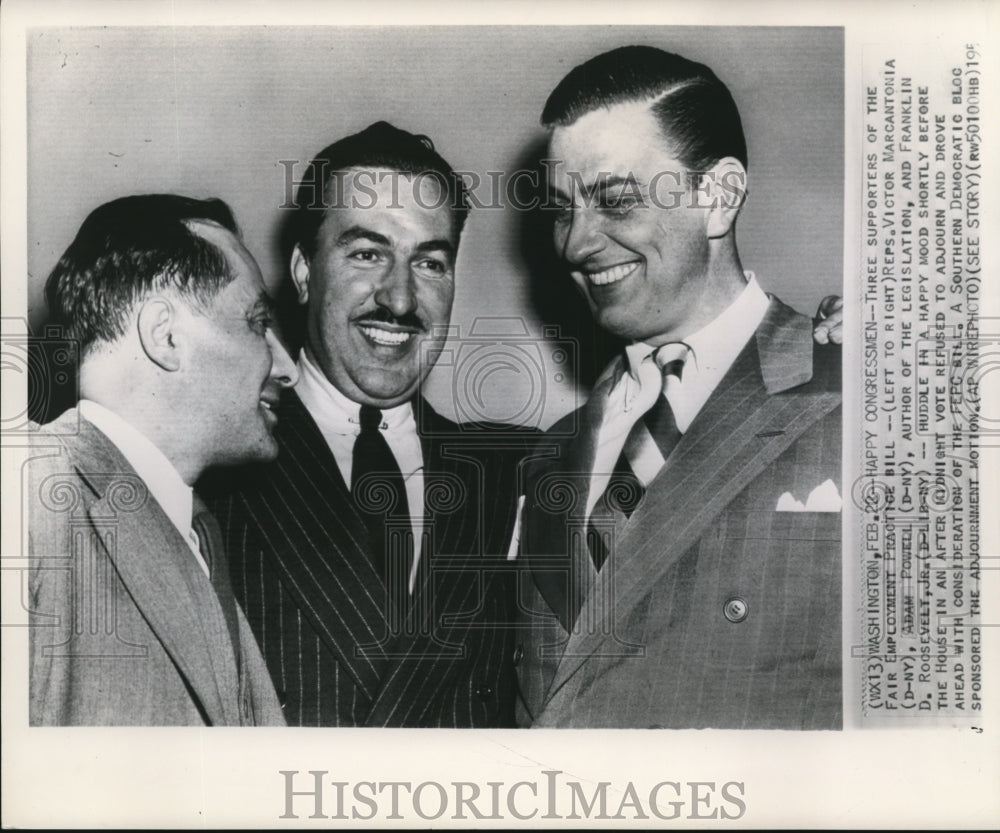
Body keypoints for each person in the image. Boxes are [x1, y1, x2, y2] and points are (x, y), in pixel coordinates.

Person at [515, 45, 843, 729]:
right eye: (561, 209)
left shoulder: (858, 393)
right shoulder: (548, 457)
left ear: (717, 196)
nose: (576, 243)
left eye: (615, 200)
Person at [207, 122, 527, 727]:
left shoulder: (514, 472)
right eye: (367, 253)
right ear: (303, 272)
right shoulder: (214, 470)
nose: (401, 299)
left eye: (430, 264)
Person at [28, 194, 297, 726]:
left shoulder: (196, 532)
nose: (286, 366)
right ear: (165, 336)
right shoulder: (27, 489)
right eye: (257, 322)